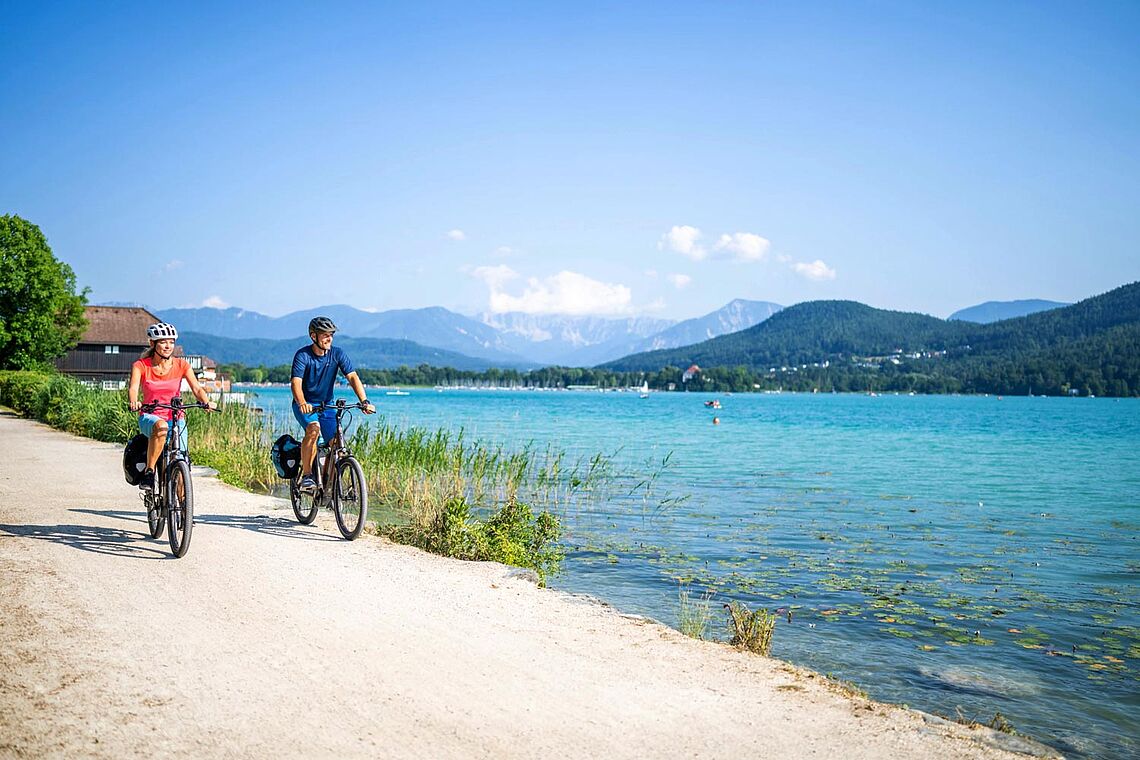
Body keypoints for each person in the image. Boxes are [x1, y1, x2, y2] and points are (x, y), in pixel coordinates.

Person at [128, 322, 217, 490]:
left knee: (181, 462)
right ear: (152, 344)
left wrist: (205, 401)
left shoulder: (182, 365)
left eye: (171, 342)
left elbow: (197, 388)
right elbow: (133, 388)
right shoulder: (141, 366)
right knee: (161, 427)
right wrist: (134, 401)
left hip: (176, 417)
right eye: (163, 342)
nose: (168, 346)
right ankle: (149, 472)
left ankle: (183, 512)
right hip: (150, 416)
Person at [291, 316, 375, 493]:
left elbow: (352, 376)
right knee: (313, 430)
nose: (329, 338)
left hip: (327, 406)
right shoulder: (303, 355)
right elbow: (295, 383)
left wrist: (364, 401)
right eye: (325, 335)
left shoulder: (337, 354)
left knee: (337, 443)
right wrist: (302, 402)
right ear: (313, 336)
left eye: (331, 334)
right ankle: (307, 476)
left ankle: (328, 484)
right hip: (306, 405)